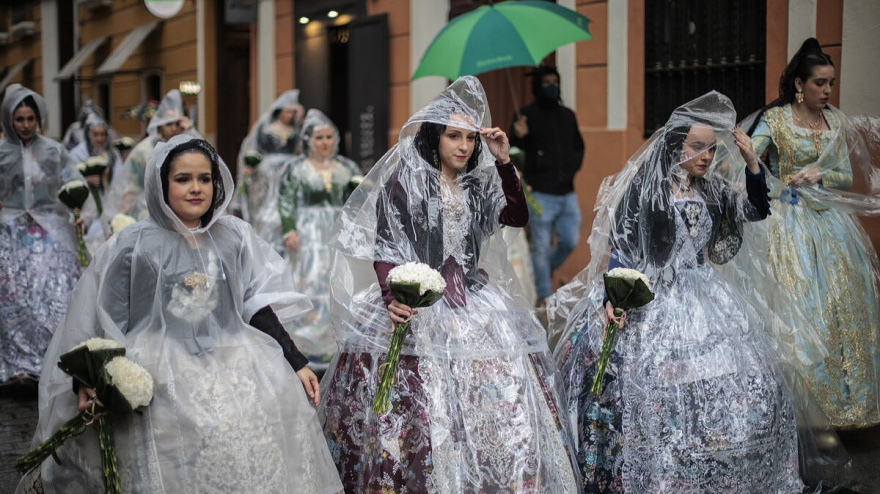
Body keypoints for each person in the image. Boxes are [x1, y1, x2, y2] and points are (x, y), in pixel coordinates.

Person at [20, 135, 343, 494]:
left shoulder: (233, 237)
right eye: (183, 179)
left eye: (205, 179)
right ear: (161, 184)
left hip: (233, 357)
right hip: (158, 366)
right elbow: (106, 316)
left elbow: (253, 303)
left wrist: (295, 360)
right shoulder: (133, 245)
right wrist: (89, 379)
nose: (196, 188)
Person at [551, 91, 820, 492]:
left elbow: (755, 209)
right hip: (654, 296)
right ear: (676, 146)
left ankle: (716, 467)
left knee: (731, 378)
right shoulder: (647, 189)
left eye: (711, 149)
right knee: (651, 385)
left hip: (704, 296)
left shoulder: (711, 190)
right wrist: (614, 297)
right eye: (697, 147)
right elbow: (623, 246)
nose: (706, 156)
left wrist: (752, 162)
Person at [320, 76, 579, 492]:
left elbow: (516, 216)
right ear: (435, 137)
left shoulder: (476, 185)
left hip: (474, 300)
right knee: (421, 403)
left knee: (496, 396)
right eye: (453, 136)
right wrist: (392, 296)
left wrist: (503, 161)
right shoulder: (404, 183)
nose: (464, 146)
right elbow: (385, 247)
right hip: (419, 301)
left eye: (470, 138)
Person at [744, 38, 880, 430]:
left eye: (831, 83)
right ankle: (805, 413)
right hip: (790, 223)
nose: (828, 90)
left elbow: (846, 177)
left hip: (832, 225)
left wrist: (820, 174)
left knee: (844, 307)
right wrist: (762, 169)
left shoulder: (835, 121)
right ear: (799, 84)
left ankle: (848, 406)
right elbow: (751, 157)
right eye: (820, 83)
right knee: (803, 308)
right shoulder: (777, 119)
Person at [0, 84, 83, 387]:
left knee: (55, 294)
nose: (25, 125)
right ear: (9, 119)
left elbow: (73, 183)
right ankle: (17, 364)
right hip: (9, 232)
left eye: (30, 119)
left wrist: (78, 209)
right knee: (14, 297)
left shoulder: (53, 150)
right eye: (19, 119)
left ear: (39, 119)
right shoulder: (1, 152)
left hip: (51, 232)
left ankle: (51, 361)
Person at [277, 109, 360, 372]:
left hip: (337, 232)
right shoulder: (297, 169)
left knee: (337, 281)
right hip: (309, 234)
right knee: (311, 280)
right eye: (319, 138)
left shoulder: (347, 168)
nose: (324, 143)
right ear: (309, 141)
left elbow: (358, 200)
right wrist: (289, 229)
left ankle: (334, 342)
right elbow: (285, 201)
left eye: (328, 137)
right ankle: (305, 341)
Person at [510, 65, 585, 304]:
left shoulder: (568, 115)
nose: (552, 86)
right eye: (546, 83)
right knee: (540, 248)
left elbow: (579, 147)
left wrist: (570, 169)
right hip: (540, 194)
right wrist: (518, 134)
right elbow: (512, 152)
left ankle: (539, 273)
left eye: (555, 82)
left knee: (570, 240)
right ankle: (543, 297)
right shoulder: (525, 116)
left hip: (567, 193)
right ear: (537, 86)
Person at [104, 89, 198, 221]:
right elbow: (131, 184)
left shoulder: (189, 146)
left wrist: (191, 132)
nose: (173, 128)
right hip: (149, 211)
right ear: (160, 125)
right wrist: (122, 214)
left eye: (177, 123)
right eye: (168, 123)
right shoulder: (145, 149)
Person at [235, 90, 304, 253]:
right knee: (266, 207)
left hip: (288, 170)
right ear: (279, 112)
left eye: (292, 112)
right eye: (287, 112)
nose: (290, 116)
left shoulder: (295, 131)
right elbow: (255, 148)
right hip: (268, 174)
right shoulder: (266, 129)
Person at [69, 116, 124, 254]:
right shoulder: (77, 154)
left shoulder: (112, 154)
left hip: (108, 200)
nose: (100, 139)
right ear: (88, 135)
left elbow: (120, 178)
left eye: (103, 134)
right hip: (87, 205)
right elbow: (70, 179)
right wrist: (86, 180)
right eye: (95, 134)